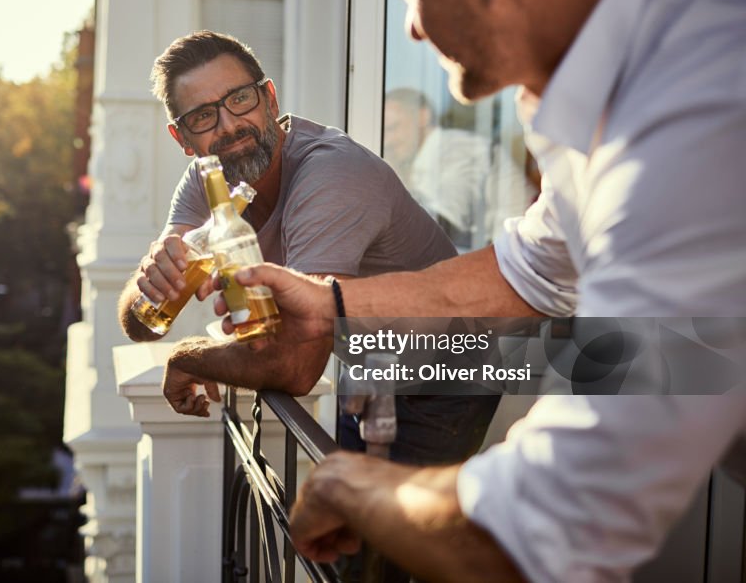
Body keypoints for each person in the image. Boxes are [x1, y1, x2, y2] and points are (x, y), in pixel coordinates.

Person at [219, 0, 746, 580]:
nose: (408, 27)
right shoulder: (626, 74)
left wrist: (348, 485)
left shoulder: (687, 124)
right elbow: (524, 273)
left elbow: (553, 525)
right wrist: (330, 304)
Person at [117, 30, 500, 467]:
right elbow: (144, 323)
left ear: (270, 100)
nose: (229, 126)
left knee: (389, 528)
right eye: (203, 116)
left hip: (444, 376)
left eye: (239, 99)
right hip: (367, 367)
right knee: (345, 516)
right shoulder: (208, 181)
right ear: (182, 138)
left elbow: (296, 367)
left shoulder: (331, 175)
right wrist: (151, 278)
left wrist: (193, 359)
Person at [383, 87, 536, 250]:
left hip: (519, 256)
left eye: (392, 128)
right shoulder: (416, 159)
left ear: (423, 116)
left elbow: (440, 225)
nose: (387, 142)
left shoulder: (459, 149)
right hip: (499, 254)